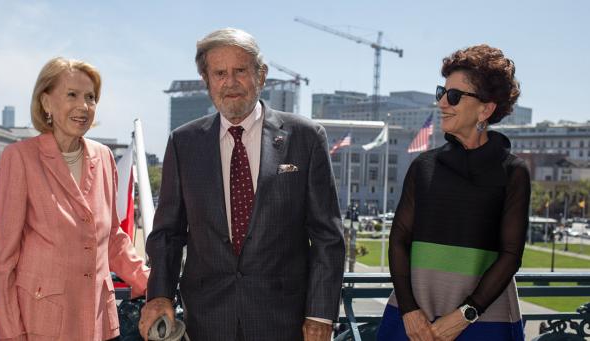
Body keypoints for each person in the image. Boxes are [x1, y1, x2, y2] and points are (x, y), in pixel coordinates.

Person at [139, 28, 345, 341]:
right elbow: (168, 232)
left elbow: (327, 238)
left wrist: (320, 313)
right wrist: (159, 295)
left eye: (240, 71)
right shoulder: (183, 143)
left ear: (261, 76)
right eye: (219, 73)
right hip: (207, 319)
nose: (230, 82)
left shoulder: (305, 138)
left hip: (285, 321)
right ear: (207, 81)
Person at [0, 57, 150, 340]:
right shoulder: (20, 159)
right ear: (46, 102)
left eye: (90, 97)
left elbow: (112, 237)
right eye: (72, 95)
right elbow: (3, 261)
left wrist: (150, 281)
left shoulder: (104, 157)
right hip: (42, 325)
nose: (83, 106)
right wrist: (11, 335)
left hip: (100, 323)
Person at [377, 44, 530, 341]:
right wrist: (409, 311)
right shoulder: (423, 166)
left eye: (454, 96)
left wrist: (464, 316)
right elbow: (398, 240)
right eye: (442, 93)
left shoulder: (513, 172)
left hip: (483, 322)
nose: (442, 103)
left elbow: (511, 255)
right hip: (412, 322)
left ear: (485, 108)